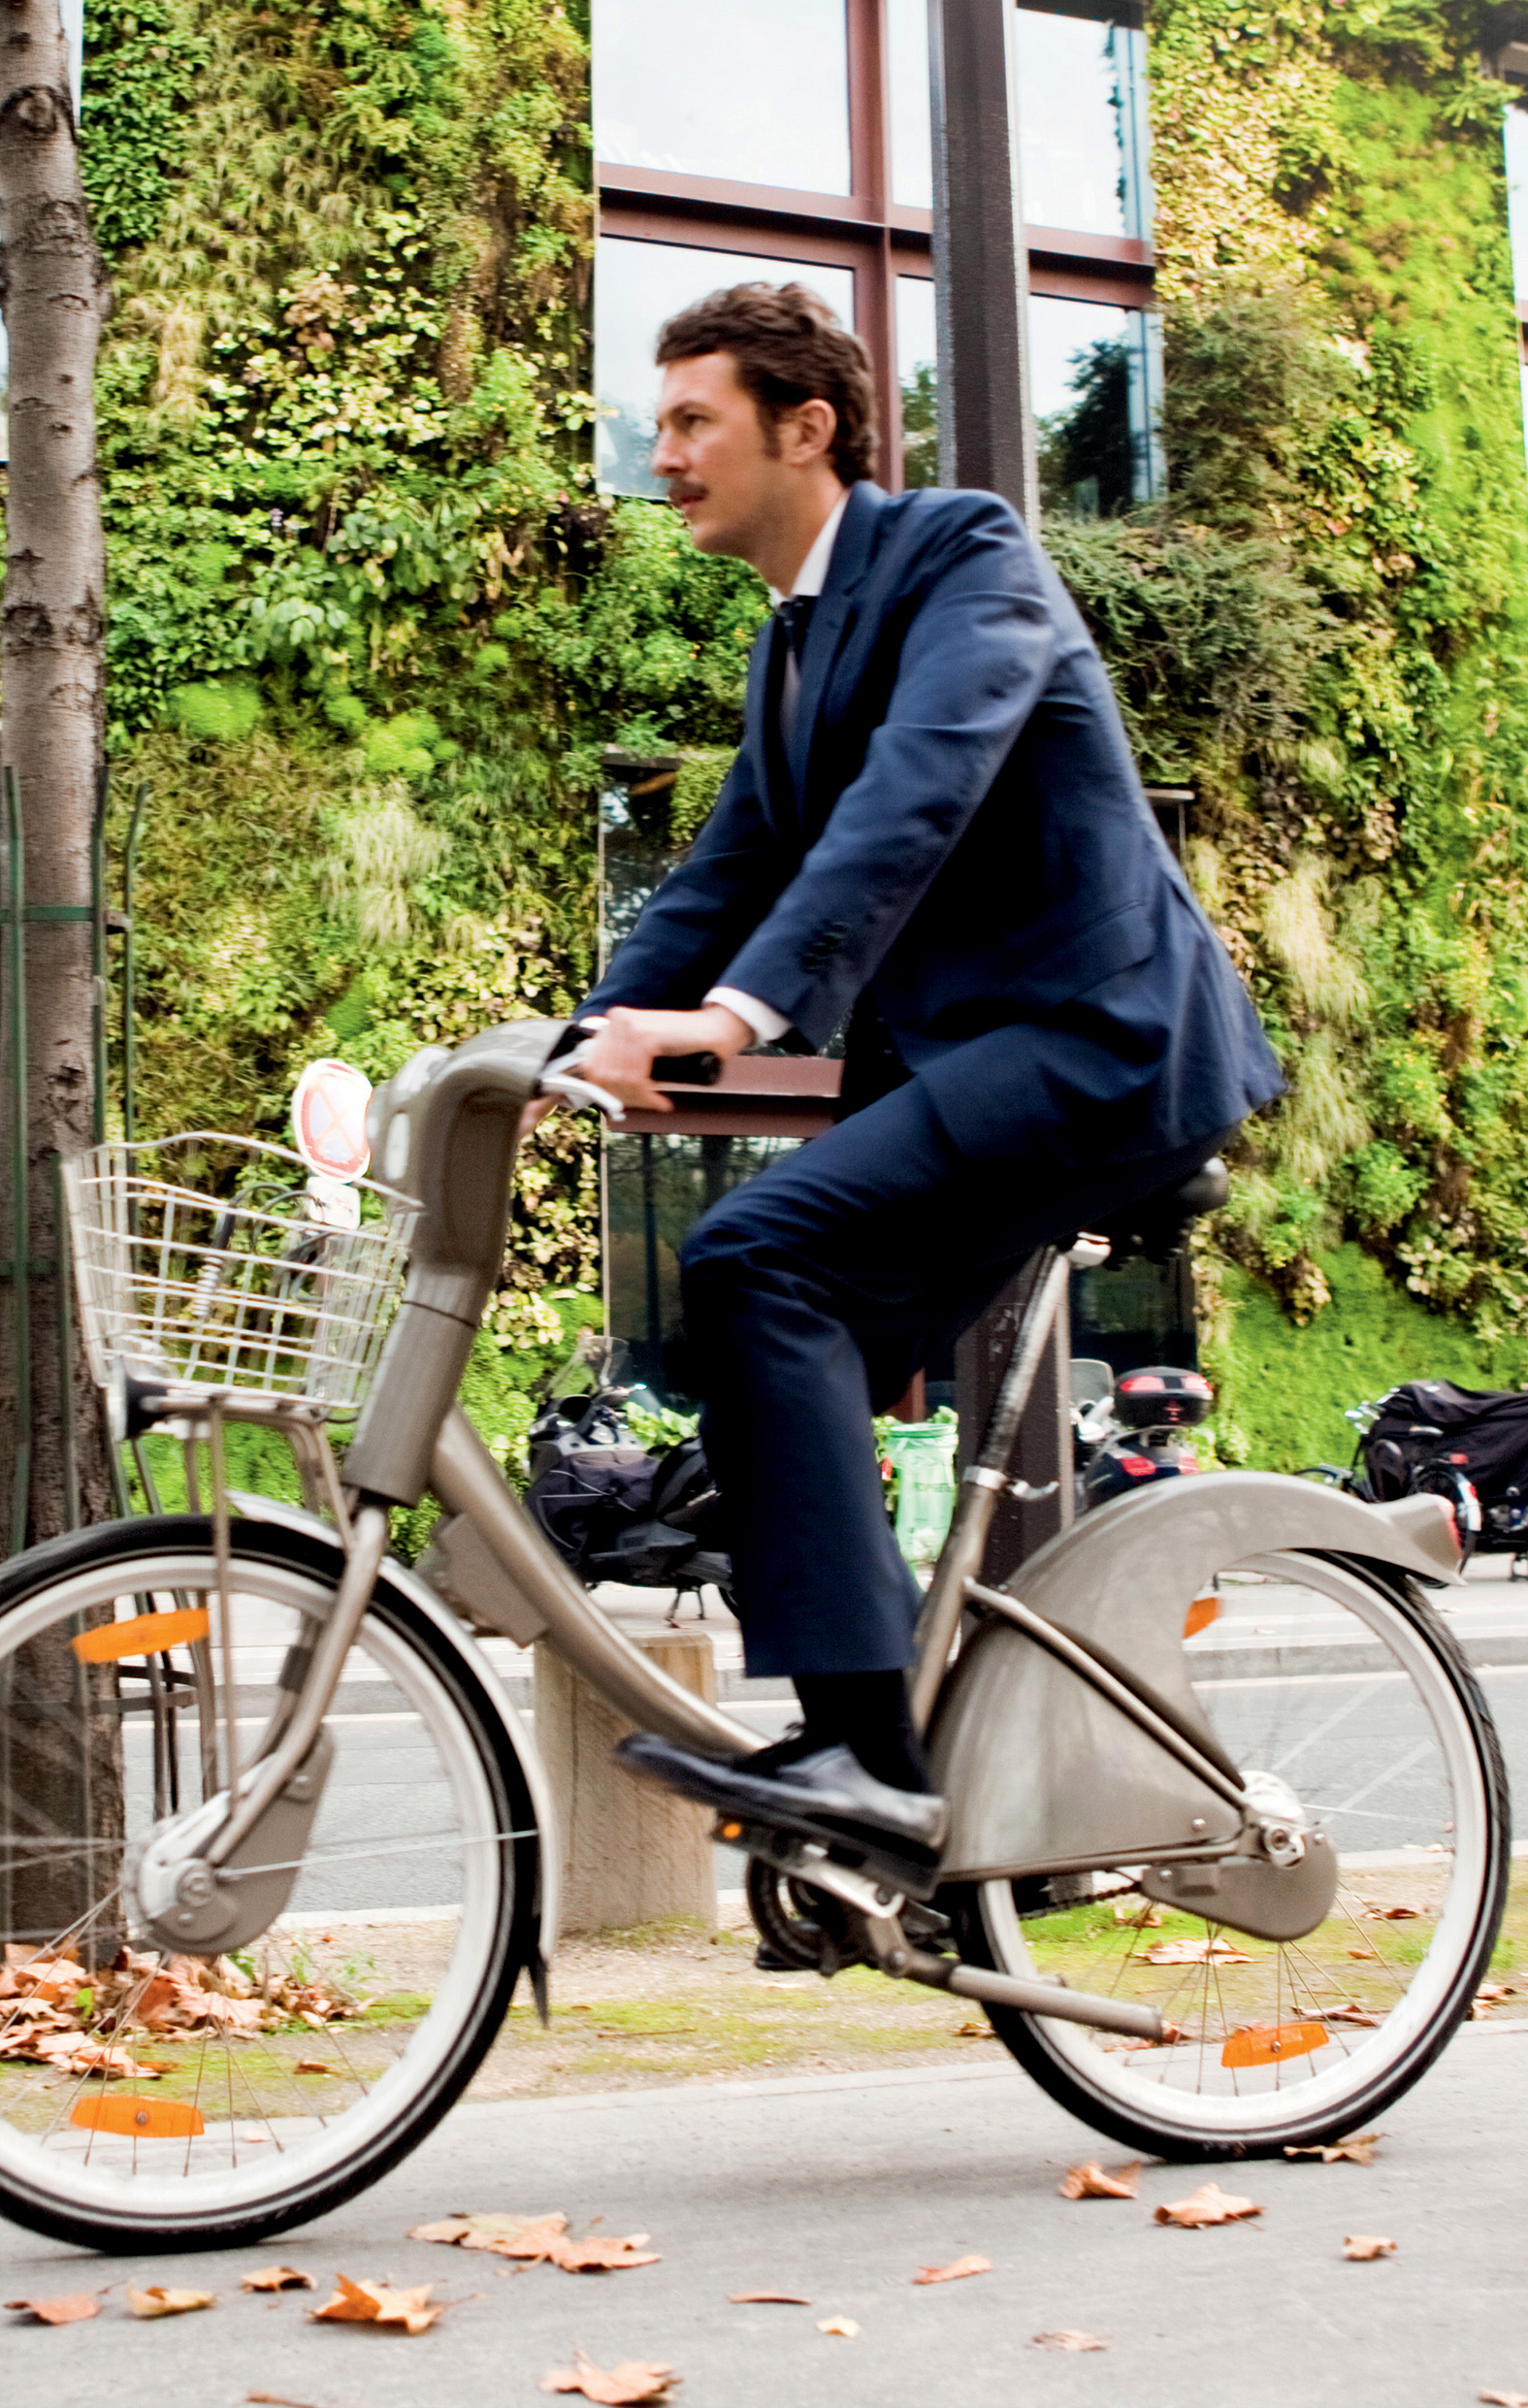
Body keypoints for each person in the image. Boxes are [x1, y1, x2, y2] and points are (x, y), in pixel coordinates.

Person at [553, 283, 1284, 1862]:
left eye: (693, 422)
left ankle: (870, 1758)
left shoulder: (963, 553)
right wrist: (566, 1038)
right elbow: (726, 866)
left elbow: (920, 790)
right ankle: (879, 1760)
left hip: (1101, 1047)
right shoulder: (793, 646)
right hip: (978, 1064)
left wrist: (737, 1020)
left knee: (756, 1255)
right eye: (660, 422)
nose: (661, 453)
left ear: (804, 429)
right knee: (764, 1347)